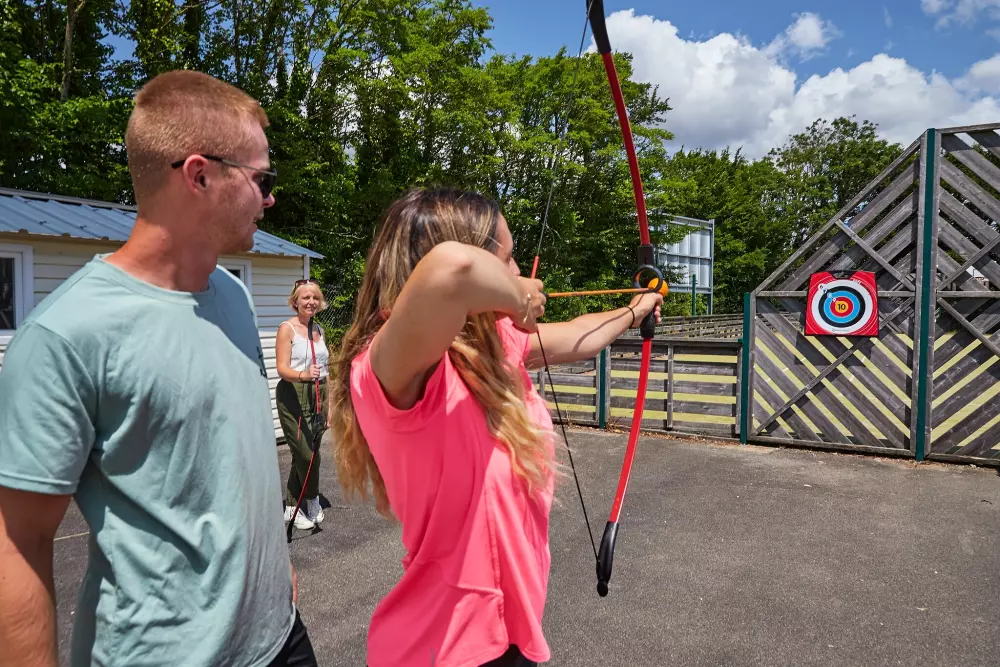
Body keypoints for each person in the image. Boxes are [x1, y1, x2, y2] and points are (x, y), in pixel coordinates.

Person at [0, 70, 316, 666]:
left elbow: (229, 464)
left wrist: (277, 570)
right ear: (199, 174)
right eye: (262, 178)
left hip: (281, 636)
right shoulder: (65, 335)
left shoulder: (234, 297)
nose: (271, 197)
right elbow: (18, 542)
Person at [328, 188, 663, 667]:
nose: (518, 271)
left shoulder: (492, 351)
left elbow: (577, 336)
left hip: (503, 638)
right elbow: (451, 271)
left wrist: (636, 309)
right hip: (444, 647)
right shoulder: (392, 365)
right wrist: (516, 297)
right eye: (507, 259)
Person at [275, 279, 330, 531]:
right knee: (305, 453)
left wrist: (329, 407)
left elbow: (325, 370)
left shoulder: (319, 329)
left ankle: (291, 506)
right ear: (295, 302)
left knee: (311, 451)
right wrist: (303, 375)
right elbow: (282, 368)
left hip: (319, 393)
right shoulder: (287, 328)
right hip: (293, 394)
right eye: (305, 298)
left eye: (315, 298)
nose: (311, 302)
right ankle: (311, 497)